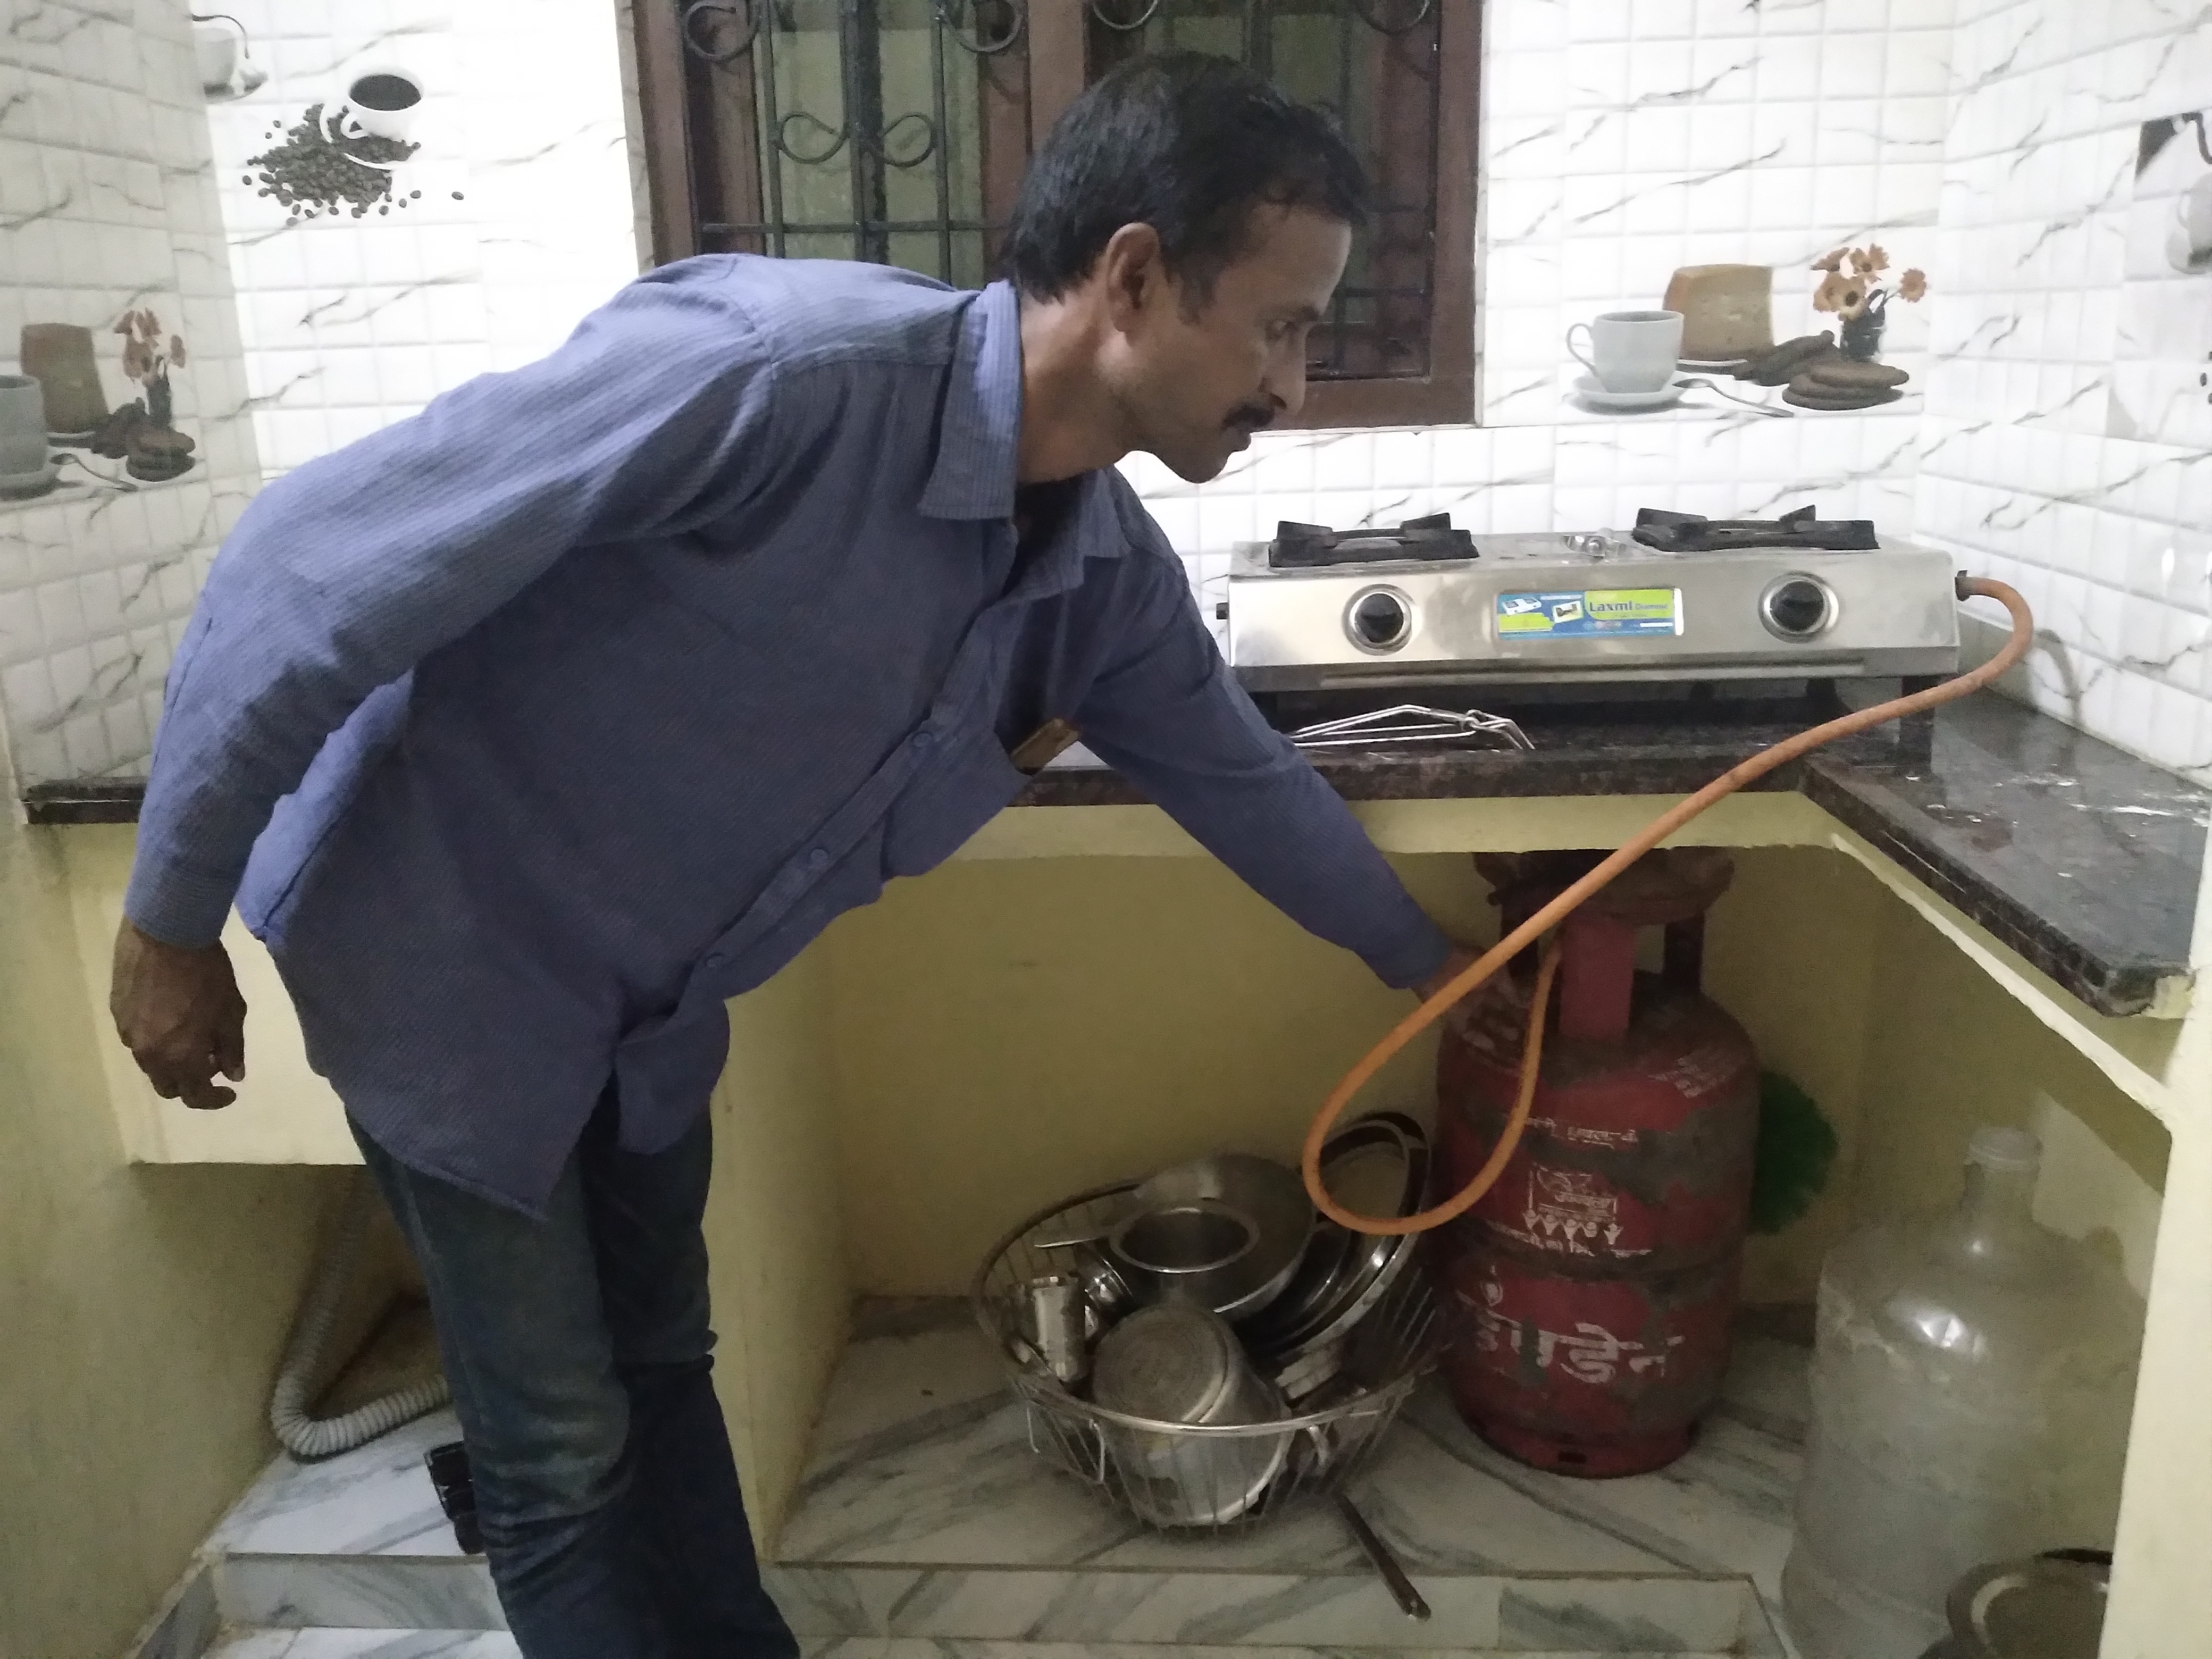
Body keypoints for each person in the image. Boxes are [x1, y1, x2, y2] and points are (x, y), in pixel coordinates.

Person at [108, 52, 1471, 1659]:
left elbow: (1242, 779)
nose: (1293, 386)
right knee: (559, 1450)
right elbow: (306, 567)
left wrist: (1440, 969)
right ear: (1132, 279)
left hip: (647, 1007)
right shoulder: (778, 373)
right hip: (449, 952)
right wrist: (171, 919)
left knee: (663, 1365)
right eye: (1282, 327)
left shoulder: (1099, 571)